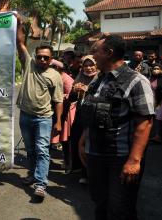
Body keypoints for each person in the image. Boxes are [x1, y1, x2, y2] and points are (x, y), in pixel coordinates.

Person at [78, 35, 154, 220]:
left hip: (120, 159)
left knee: (120, 209)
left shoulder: (137, 81)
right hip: (96, 155)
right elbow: (95, 113)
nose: (92, 55)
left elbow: (144, 123)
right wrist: (83, 141)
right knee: (100, 203)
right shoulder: (99, 80)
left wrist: (134, 161)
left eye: (96, 51)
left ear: (109, 53)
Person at [15, 16, 64, 199]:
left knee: (42, 150)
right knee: (30, 150)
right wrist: (18, 23)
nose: (42, 59)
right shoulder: (29, 64)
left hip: (44, 117)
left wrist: (58, 122)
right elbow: (20, 43)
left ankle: (41, 184)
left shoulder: (55, 76)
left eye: (46, 57)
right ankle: (32, 175)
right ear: (35, 56)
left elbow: (58, 100)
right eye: (40, 56)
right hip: (26, 115)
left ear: (51, 59)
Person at [69, 55, 99, 184]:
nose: (88, 68)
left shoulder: (101, 79)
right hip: (80, 116)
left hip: (94, 118)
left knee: (89, 145)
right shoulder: (79, 78)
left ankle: (91, 173)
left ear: (96, 66)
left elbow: (101, 98)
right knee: (77, 143)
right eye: (86, 65)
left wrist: (87, 90)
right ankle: (82, 171)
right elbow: (72, 99)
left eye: (91, 65)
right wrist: (75, 91)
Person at [49, 59, 74, 172]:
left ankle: (69, 164)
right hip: (57, 109)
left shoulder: (65, 78)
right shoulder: (55, 77)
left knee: (66, 140)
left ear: (57, 68)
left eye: (52, 67)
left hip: (67, 112)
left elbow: (71, 95)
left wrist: (57, 96)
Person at [149, 64, 162, 143]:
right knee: (154, 118)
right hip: (152, 101)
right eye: (154, 68)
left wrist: (159, 103)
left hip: (160, 102)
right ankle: (155, 135)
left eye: (157, 68)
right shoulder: (150, 79)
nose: (155, 70)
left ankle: (158, 136)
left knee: (158, 119)